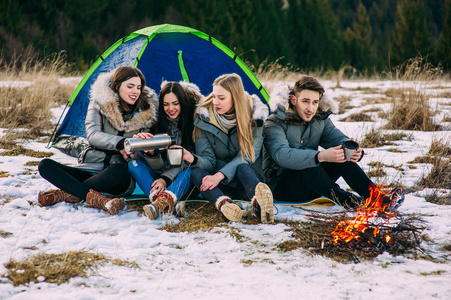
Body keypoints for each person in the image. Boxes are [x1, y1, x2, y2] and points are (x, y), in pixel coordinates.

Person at [263, 75, 404, 209]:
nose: (310, 108)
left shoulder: (319, 119)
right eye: (305, 101)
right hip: (283, 188)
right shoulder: (275, 122)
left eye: (315, 102)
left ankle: (377, 198)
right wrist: (320, 156)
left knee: (342, 155)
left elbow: (336, 138)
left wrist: (353, 150)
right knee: (309, 164)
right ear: (293, 100)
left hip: (314, 185)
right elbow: (282, 155)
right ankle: (354, 203)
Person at [38, 66, 158, 215]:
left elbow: (143, 158)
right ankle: (97, 199)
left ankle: (67, 193)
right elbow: (93, 135)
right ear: (117, 86)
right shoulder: (98, 103)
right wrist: (122, 143)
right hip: (92, 168)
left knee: (118, 170)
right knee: (45, 165)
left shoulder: (147, 113)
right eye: (130, 86)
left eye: (139, 87)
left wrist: (139, 148)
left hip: (119, 176)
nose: (135, 92)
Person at [189, 73, 274, 223]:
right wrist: (193, 159)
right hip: (221, 186)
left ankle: (261, 206)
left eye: (221, 98)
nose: (215, 102)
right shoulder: (203, 118)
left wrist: (220, 174)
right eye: (214, 96)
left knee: (242, 166)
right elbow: (208, 160)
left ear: (235, 98)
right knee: (196, 173)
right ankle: (227, 206)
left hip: (247, 181)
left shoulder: (255, 117)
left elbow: (249, 155)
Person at [127, 81, 202, 220]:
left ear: (183, 103)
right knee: (133, 164)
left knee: (190, 172)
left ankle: (161, 203)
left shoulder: (194, 124)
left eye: (175, 103)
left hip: (181, 181)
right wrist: (152, 154)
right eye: (166, 104)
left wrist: (165, 178)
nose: (170, 108)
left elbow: (190, 161)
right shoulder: (155, 123)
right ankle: (163, 202)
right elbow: (156, 166)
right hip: (159, 180)